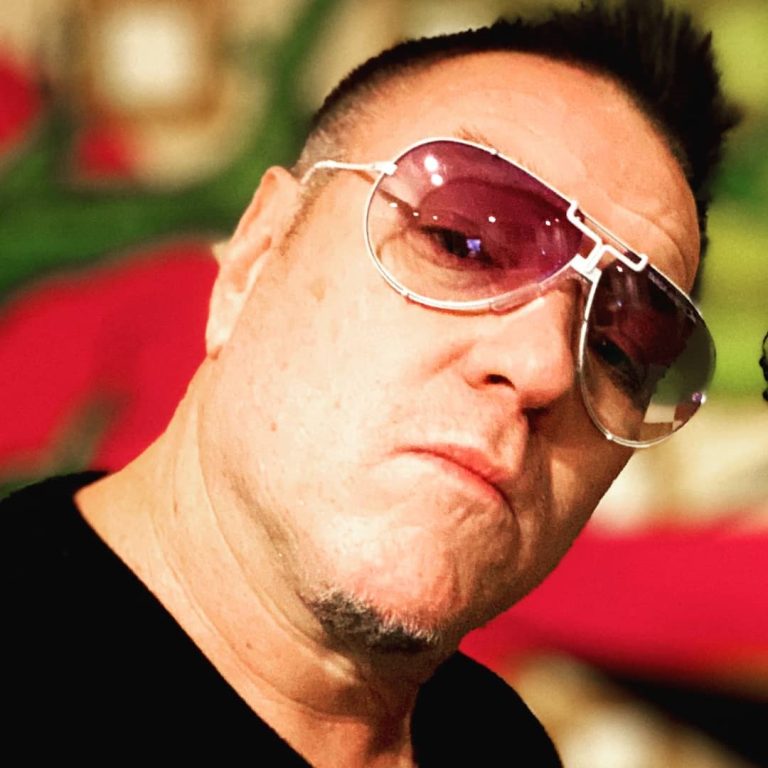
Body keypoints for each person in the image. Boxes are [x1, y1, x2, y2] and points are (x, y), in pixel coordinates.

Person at [4, 0, 739, 764]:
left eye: (618, 349)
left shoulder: (497, 743)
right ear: (257, 253)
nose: (545, 366)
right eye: (462, 241)